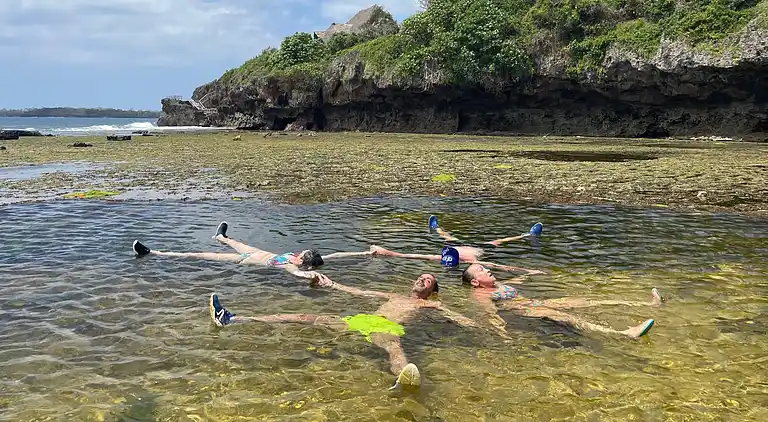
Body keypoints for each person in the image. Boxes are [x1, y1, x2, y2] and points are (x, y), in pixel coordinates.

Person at [207, 273, 480, 390]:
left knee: (394, 349)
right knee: (303, 317)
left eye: (428, 280)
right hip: (360, 320)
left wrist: (472, 324)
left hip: (386, 328)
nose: (422, 279)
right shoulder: (393, 294)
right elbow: (359, 291)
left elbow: (450, 314)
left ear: (432, 291)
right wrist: (331, 284)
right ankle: (234, 319)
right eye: (421, 277)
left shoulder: (429, 304)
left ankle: (404, 379)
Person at [461, 263, 662, 339]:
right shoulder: (482, 294)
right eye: (481, 270)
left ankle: (647, 305)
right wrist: (503, 333)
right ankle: (624, 333)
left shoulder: (498, 285)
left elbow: (518, 280)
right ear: (476, 282)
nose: (487, 269)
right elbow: (491, 313)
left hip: (536, 302)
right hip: (526, 310)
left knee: (588, 301)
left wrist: (530, 273)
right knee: (568, 317)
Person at [132, 221, 372, 282]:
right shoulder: (302, 259)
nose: (300, 250)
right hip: (258, 252)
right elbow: (332, 257)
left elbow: (299, 275)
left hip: (244, 261)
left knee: (198, 254)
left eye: (303, 251)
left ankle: (154, 253)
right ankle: (220, 236)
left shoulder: (293, 265)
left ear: (303, 259)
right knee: (231, 240)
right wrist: (362, 254)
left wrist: (311, 276)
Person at [428, 215, 544, 262]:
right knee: (498, 241)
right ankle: (528, 235)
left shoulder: (445, 256)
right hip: (479, 250)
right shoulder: (469, 261)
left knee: (448, 237)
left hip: (458, 247)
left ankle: (436, 228)